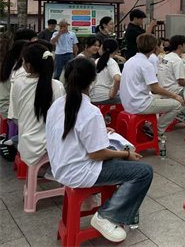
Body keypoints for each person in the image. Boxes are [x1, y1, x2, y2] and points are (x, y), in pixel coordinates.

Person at [46, 57, 153, 243]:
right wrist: (126, 154)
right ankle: (107, 216)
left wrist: (100, 130)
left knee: (116, 153)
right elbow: (96, 154)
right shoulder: (89, 111)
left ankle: (111, 204)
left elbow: (74, 132)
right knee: (144, 172)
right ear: (93, 80)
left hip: (60, 168)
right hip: (80, 172)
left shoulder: (58, 104)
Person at [8, 43, 64, 166]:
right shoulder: (57, 86)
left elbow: (16, 116)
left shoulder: (18, 83)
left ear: (29, 66)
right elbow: (61, 120)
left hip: (25, 146)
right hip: (49, 146)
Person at [120, 34, 184, 141]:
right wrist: (175, 96)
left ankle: (150, 127)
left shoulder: (130, 61)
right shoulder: (146, 64)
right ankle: (156, 130)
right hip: (140, 105)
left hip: (128, 103)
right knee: (178, 104)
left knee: (161, 97)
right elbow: (155, 88)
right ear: (154, 48)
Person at [90, 39, 122, 105]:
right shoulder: (111, 62)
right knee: (128, 99)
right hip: (105, 97)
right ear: (116, 50)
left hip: (93, 96)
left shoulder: (98, 60)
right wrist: (113, 94)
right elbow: (117, 79)